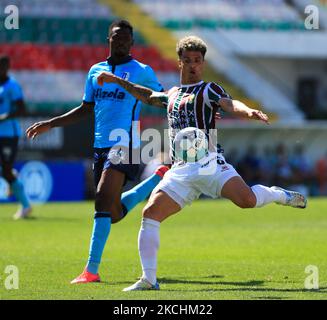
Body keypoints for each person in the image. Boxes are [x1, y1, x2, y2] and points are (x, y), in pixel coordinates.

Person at [96, 35, 307, 291]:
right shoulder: (172, 94)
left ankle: (276, 195)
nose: (193, 65)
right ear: (179, 63)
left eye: (198, 60)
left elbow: (230, 104)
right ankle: (149, 279)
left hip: (210, 164)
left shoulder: (209, 89)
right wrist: (117, 80)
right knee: (150, 214)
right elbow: (150, 96)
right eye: (188, 61)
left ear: (203, 63)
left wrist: (247, 111)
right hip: (180, 170)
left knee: (247, 201)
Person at [26, 20, 168, 284]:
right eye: (117, 38)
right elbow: (86, 108)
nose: (122, 42)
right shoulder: (95, 71)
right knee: (111, 212)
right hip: (101, 146)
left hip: (127, 145)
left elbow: (162, 100)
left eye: (127, 38)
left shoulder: (141, 71)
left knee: (101, 198)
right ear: (109, 40)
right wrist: (50, 123)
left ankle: (91, 270)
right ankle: (156, 180)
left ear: (132, 43)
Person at [0, 55, 32, 220]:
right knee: (5, 171)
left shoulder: (12, 86)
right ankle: (11, 174)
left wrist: (4, 117)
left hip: (8, 135)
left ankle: (26, 206)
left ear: (6, 67)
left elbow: (22, 109)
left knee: (5, 170)